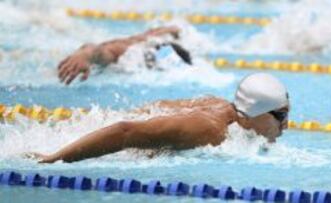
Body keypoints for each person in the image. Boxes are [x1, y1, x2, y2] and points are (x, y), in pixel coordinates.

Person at [30, 73, 290, 163]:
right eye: (280, 115)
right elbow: (124, 133)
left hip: (98, 126)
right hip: (91, 139)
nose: (286, 124)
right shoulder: (209, 131)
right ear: (253, 114)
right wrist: (55, 159)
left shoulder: (222, 106)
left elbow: (157, 107)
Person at [58, 26, 192, 85]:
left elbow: (174, 29)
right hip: (71, 59)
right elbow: (97, 51)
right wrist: (84, 55)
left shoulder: (152, 37)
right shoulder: (125, 53)